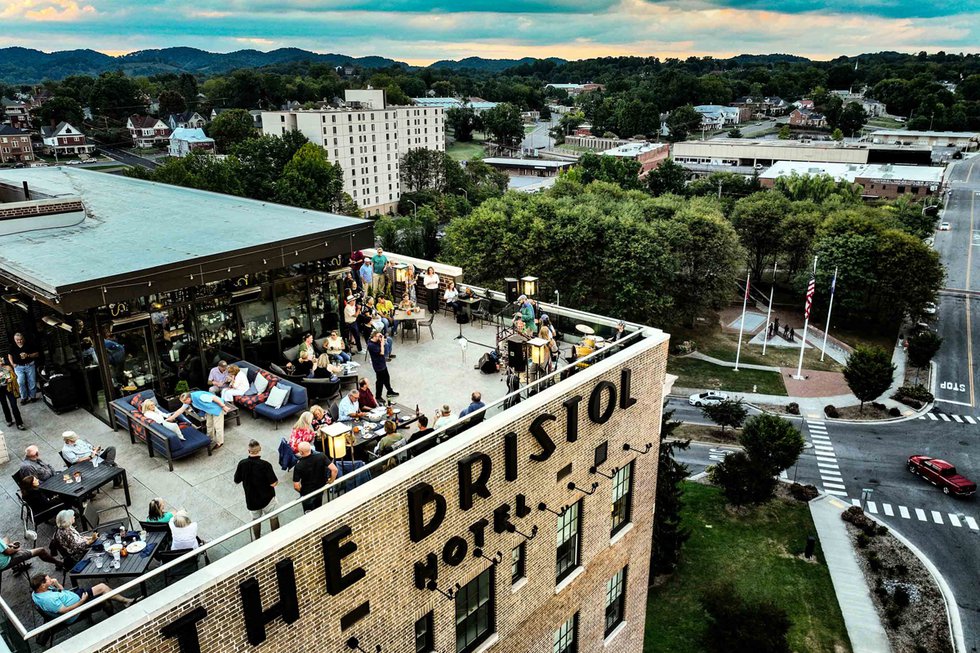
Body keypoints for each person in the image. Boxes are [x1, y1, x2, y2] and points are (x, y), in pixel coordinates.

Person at [31, 574, 134, 623]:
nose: (51, 580)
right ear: (42, 585)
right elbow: (65, 611)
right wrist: (82, 601)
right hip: (76, 611)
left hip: (75, 597)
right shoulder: (48, 600)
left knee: (102, 587)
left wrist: (56, 583)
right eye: (48, 580)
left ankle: (125, 601)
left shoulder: (37, 591)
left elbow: (61, 591)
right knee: (105, 598)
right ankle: (115, 618)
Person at [233, 440, 280, 540]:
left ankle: (257, 539)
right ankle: (276, 537)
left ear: (248, 451)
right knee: (273, 517)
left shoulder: (242, 464)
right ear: (260, 450)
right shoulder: (265, 465)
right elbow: (273, 483)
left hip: (251, 500)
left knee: (255, 520)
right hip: (267, 498)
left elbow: (236, 480)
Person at [293, 442, 331, 513]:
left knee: (308, 512)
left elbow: (296, 486)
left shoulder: (298, 466)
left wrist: (302, 492)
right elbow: (334, 469)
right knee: (318, 508)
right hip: (320, 488)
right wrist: (331, 480)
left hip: (307, 492)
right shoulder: (321, 456)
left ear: (301, 452)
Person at [7, 332, 39, 404]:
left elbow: (37, 354)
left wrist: (28, 355)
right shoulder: (12, 346)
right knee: (21, 382)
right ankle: (24, 398)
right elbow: (9, 355)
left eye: (21, 339)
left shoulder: (29, 344)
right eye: (17, 340)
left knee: (32, 381)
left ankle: (33, 397)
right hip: (18, 367)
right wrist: (12, 364)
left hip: (30, 365)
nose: (19, 341)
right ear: (15, 340)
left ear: (23, 338)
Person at [367, 331, 398, 402]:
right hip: (378, 365)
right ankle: (378, 396)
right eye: (379, 336)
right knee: (380, 381)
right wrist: (382, 343)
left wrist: (383, 340)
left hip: (382, 363)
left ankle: (389, 391)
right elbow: (382, 352)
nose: (380, 338)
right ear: (374, 336)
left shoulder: (377, 340)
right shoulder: (371, 345)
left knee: (387, 377)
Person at [0, 362, 24, 430]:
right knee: (4, 405)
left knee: (14, 405)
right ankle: (9, 420)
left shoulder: (7, 367)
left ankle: (19, 423)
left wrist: (12, 379)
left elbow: (15, 376)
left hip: (9, 388)